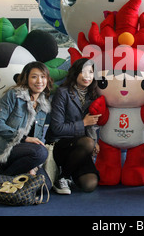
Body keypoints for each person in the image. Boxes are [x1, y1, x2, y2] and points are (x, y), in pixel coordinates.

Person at [0, 61, 53, 186]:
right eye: (34, 77)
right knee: (41, 152)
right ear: (26, 78)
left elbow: (37, 138)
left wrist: (33, 166)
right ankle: (4, 180)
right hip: (4, 148)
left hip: (26, 153)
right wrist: (24, 138)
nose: (39, 81)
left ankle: (12, 176)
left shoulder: (43, 104)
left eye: (43, 77)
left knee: (46, 186)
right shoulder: (14, 95)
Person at [45, 58, 101, 194]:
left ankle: (66, 172)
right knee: (87, 142)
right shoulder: (63, 93)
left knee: (90, 184)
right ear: (75, 73)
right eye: (83, 72)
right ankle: (63, 177)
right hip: (60, 143)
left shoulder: (93, 95)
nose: (87, 76)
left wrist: (95, 142)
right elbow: (57, 128)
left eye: (91, 72)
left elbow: (93, 124)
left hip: (80, 148)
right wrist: (83, 123)